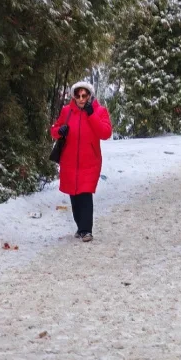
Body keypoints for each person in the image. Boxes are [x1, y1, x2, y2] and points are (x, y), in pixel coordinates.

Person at [49, 81, 113, 242]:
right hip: (69, 160)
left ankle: (86, 230)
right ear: (74, 96)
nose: (81, 99)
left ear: (90, 95)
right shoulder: (67, 111)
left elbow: (105, 133)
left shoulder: (99, 111)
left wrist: (91, 115)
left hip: (89, 160)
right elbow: (54, 130)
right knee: (74, 194)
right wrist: (60, 131)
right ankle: (80, 227)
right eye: (78, 95)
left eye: (84, 95)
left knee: (85, 194)